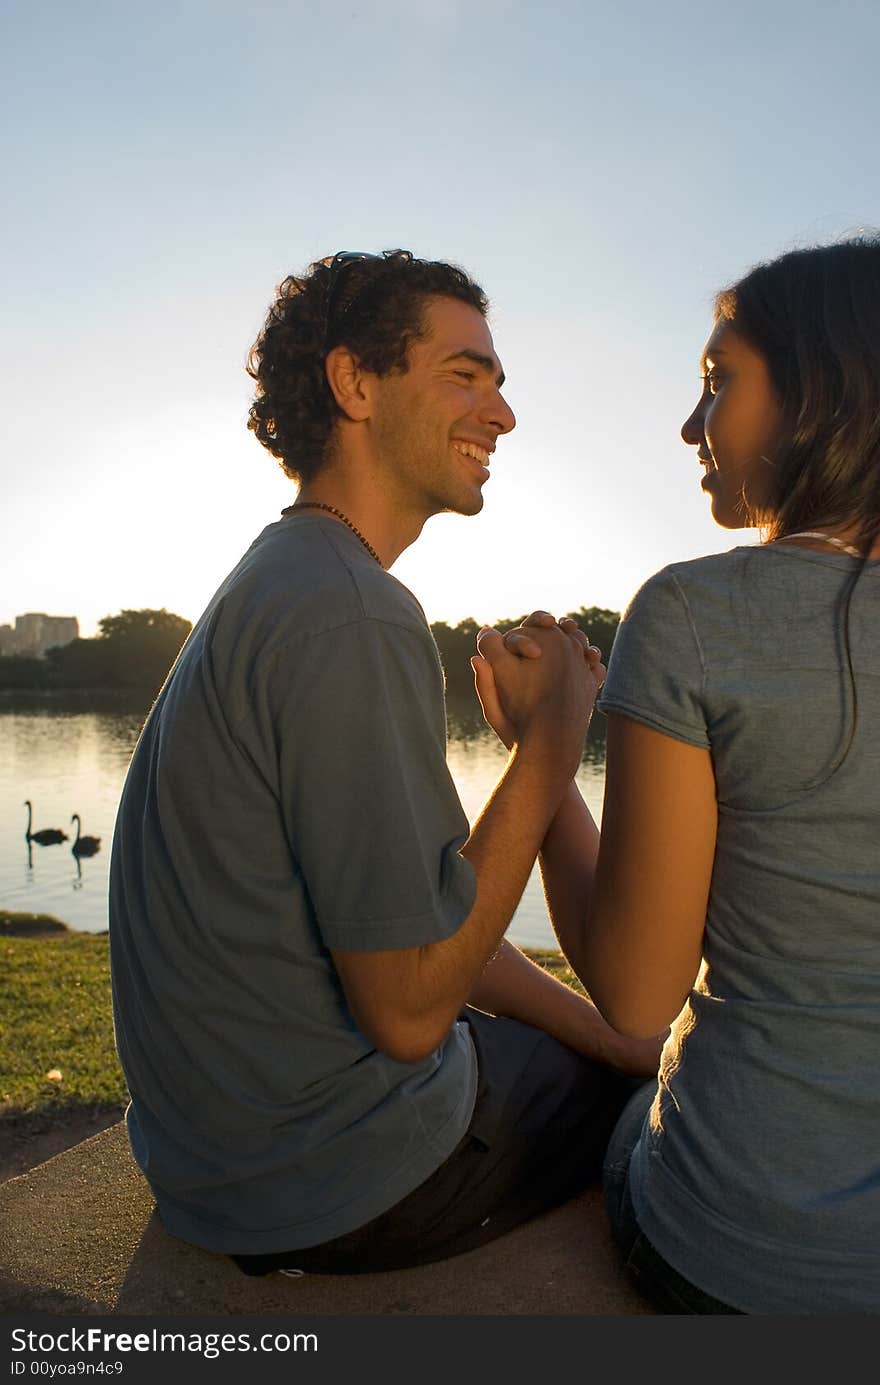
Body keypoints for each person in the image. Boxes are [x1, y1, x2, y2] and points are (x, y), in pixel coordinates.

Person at [108, 248, 660, 1278]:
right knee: (676, 1120)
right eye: (466, 373)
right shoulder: (353, 610)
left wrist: (611, 1032)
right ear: (355, 382)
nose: (501, 414)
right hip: (341, 1177)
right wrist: (553, 735)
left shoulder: (287, 579)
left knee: (616, 1051)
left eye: (498, 381)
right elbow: (410, 1009)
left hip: (218, 1163)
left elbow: (424, 922)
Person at [474, 237, 880, 1314]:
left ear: (823, 393)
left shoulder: (697, 612)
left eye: (716, 384)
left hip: (749, 1252)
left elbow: (636, 991)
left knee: (625, 1096)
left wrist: (545, 750)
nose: (690, 426)